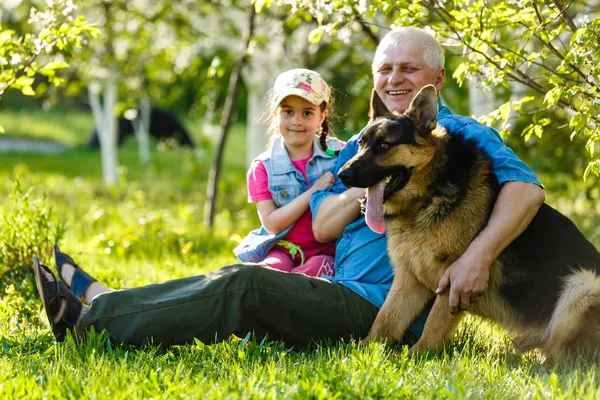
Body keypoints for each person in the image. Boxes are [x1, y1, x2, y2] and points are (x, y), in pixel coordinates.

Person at [34, 27, 544, 348]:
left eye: (409, 68)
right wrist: (366, 182)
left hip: (382, 303)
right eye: (385, 68)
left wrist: (477, 255)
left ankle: (91, 323)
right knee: (236, 280)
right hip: (334, 284)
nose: (395, 79)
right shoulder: (363, 148)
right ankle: (113, 301)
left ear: (437, 74)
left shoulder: (460, 138)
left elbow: (527, 189)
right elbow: (322, 223)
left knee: (245, 285)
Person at [234, 69, 343, 278]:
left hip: (328, 251)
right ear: (276, 113)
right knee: (268, 272)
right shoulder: (263, 168)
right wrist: (313, 191)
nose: (297, 121)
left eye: (307, 113)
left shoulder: (339, 155)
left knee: (312, 271)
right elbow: (272, 224)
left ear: (322, 116)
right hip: (284, 248)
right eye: (288, 111)